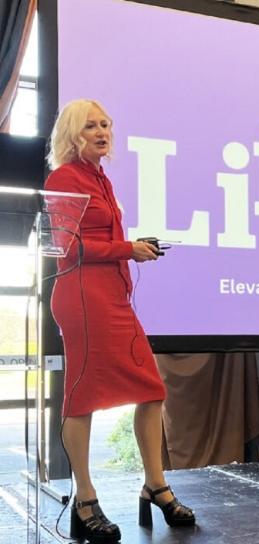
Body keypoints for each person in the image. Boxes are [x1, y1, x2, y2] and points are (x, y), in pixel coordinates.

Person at [45, 99, 195, 543]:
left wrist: (129, 248)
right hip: (82, 297)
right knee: (84, 396)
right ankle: (86, 499)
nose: (101, 131)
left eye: (105, 124)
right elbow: (69, 250)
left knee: (152, 388)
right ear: (73, 134)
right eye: (90, 126)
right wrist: (128, 249)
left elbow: (102, 238)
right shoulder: (64, 179)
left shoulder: (101, 179)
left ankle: (154, 484)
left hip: (112, 296)